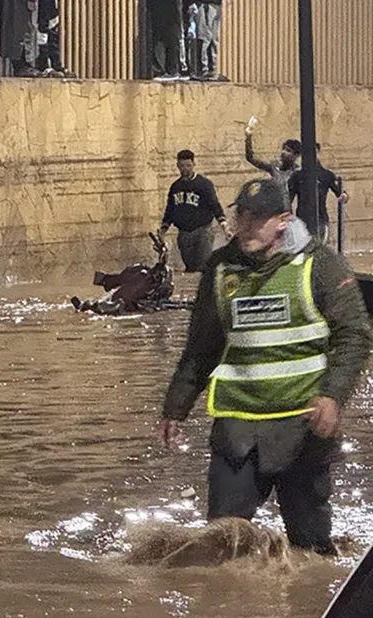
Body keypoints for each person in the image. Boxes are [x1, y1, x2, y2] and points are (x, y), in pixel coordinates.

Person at [159, 178, 372, 556]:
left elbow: (354, 334)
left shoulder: (320, 264)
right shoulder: (220, 269)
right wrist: (175, 408)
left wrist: (332, 397)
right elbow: (201, 348)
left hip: (303, 430)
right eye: (242, 215)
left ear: (283, 220)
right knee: (221, 547)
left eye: (257, 218)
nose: (245, 226)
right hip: (238, 430)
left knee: (311, 550)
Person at [158, 149, 228, 272]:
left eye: (188, 165)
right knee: (190, 268)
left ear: (193, 165)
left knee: (203, 266)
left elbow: (214, 204)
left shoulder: (204, 184)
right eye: (182, 166)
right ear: (177, 166)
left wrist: (223, 224)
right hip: (184, 233)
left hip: (202, 231)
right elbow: (170, 209)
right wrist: (164, 228)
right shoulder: (176, 187)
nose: (185, 169)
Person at [71, 233, 173, 314]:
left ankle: (105, 290)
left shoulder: (154, 279)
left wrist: (163, 254)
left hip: (127, 302)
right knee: (139, 271)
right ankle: (106, 284)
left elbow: (160, 271)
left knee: (143, 274)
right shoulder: (144, 273)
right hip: (123, 299)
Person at [287, 144, 349, 245]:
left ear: (317, 153)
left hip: (321, 219)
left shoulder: (326, 175)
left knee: (321, 250)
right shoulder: (297, 176)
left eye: (313, 152)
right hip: (301, 220)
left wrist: (344, 197)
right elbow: (289, 198)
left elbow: (341, 193)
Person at [245, 124, 300, 189]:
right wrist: (248, 137)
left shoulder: (297, 172)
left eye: (288, 151)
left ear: (295, 155)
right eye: (283, 149)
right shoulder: (274, 166)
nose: (283, 152)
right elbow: (251, 158)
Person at [188, 0, 223, 81]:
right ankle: (208, 69)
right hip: (210, 6)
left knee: (206, 38)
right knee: (208, 39)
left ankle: (205, 69)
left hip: (208, 6)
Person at [149, 0, 183, 80]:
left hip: (170, 12)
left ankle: (172, 70)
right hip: (159, 10)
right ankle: (160, 70)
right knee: (159, 40)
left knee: (172, 39)